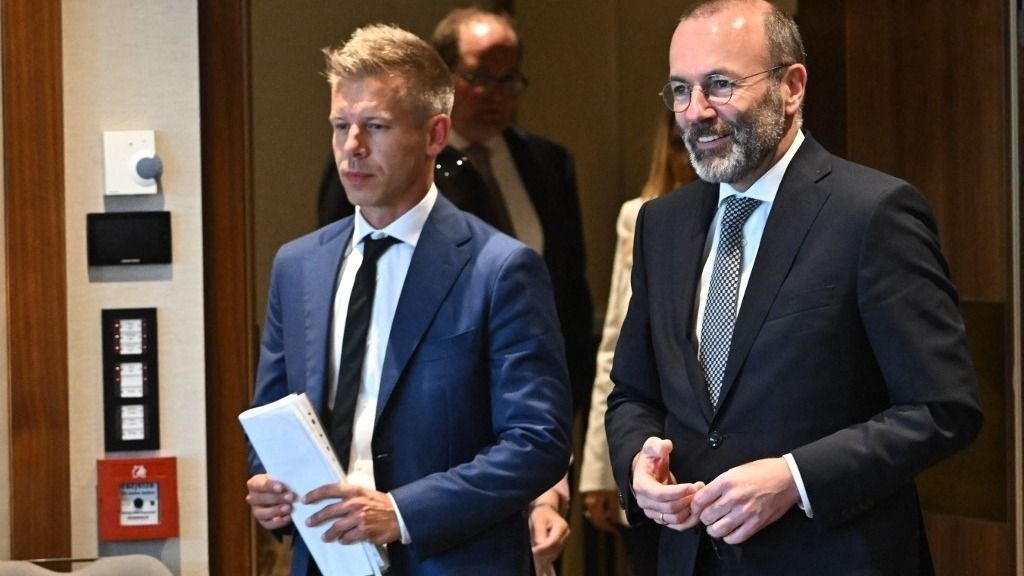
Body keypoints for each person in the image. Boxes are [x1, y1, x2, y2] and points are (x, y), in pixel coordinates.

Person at [605, 1, 983, 575]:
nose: (696, 112)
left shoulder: (872, 214)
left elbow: (942, 408)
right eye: (680, 90)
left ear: (791, 86)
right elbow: (634, 393)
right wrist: (640, 463)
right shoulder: (662, 224)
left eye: (720, 85)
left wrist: (795, 478)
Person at [245, 24, 572, 576]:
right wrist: (268, 487)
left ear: (435, 134)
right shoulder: (297, 267)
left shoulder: (500, 268)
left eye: (376, 126)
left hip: (452, 561)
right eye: (341, 126)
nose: (353, 146)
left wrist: (400, 513)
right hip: (325, 560)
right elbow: (273, 417)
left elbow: (537, 442)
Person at [578, 110, 695, 575]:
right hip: (652, 441)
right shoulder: (642, 216)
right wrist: (600, 470)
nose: (687, 155)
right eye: (678, 143)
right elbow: (615, 346)